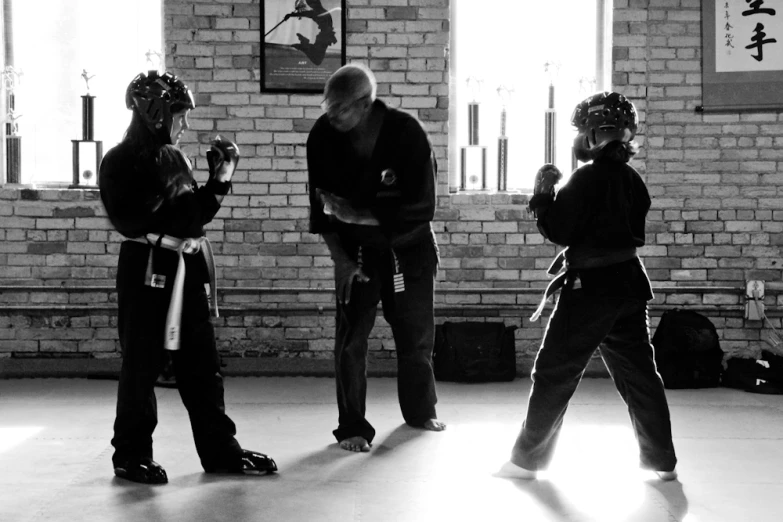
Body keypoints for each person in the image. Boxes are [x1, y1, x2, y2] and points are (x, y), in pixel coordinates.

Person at [99, 70, 277, 484]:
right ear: (156, 113)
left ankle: (220, 451)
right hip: (146, 268)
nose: (185, 124)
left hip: (181, 265)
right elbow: (142, 219)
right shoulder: (121, 161)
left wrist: (219, 180)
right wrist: (209, 189)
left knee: (201, 364)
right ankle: (129, 454)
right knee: (141, 364)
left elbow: (191, 219)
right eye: (180, 114)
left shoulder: (172, 159)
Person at [497, 91, 678, 481]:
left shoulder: (586, 177)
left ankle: (525, 462)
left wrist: (542, 198)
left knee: (553, 371)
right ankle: (662, 462)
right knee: (639, 376)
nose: (579, 139)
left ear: (595, 133)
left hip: (592, 290)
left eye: (582, 131)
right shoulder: (633, 179)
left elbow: (560, 230)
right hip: (629, 284)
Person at [306, 63, 446, 452]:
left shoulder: (407, 134)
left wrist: (358, 214)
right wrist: (341, 261)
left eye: (340, 108)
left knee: (416, 337)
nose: (330, 115)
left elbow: (424, 206)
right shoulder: (322, 137)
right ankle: (352, 425)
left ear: (365, 104)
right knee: (351, 341)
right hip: (358, 253)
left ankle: (420, 411)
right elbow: (321, 210)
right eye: (327, 107)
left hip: (409, 248)